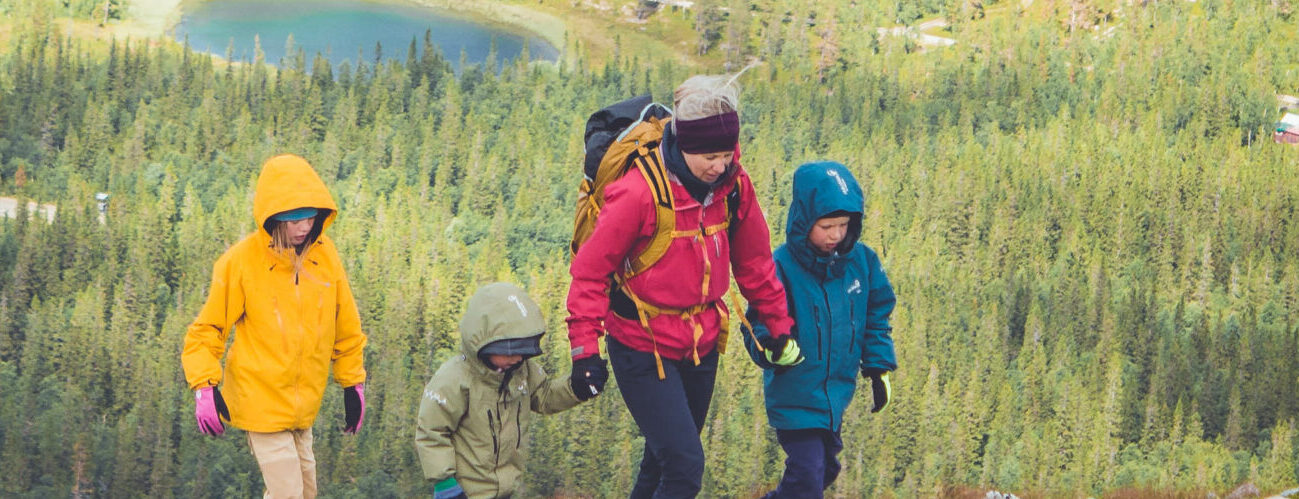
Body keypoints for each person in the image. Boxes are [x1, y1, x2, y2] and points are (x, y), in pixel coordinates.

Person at [566, 73, 804, 498]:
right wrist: (585, 351)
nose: (719, 166)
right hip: (640, 345)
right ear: (684, 145)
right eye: (708, 156)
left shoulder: (734, 186)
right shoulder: (639, 192)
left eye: (726, 154)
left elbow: (755, 263)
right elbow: (590, 273)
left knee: (662, 463)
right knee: (685, 467)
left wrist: (778, 325)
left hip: (702, 344)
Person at [181, 153, 368, 499]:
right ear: (273, 218)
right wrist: (204, 386)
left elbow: (347, 325)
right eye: (294, 219)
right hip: (260, 404)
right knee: (287, 495)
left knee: (306, 493)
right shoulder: (241, 263)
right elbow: (208, 329)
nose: (304, 227)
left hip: (304, 407)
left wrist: (352, 382)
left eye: (310, 217)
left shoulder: (325, 257)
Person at [743, 161, 897, 498]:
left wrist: (878, 366)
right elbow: (757, 324)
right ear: (803, 221)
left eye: (843, 225)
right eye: (826, 225)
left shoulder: (862, 263)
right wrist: (774, 347)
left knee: (825, 469)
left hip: (835, 395)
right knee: (808, 476)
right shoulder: (781, 267)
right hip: (796, 397)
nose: (836, 235)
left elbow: (876, 315)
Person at [415, 282, 592, 499]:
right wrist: (446, 486)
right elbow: (431, 432)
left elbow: (545, 396)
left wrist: (578, 388)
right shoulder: (454, 379)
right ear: (485, 344)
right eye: (510, 352)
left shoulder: (522, 372)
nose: (518, 358)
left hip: (504, 491)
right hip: (463, 492)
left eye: (523, 352)